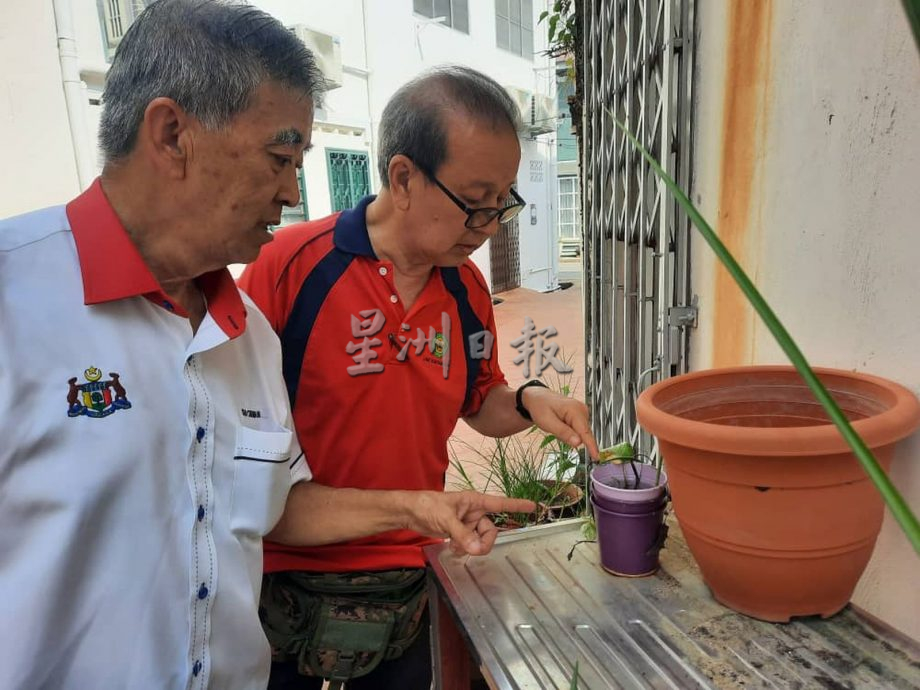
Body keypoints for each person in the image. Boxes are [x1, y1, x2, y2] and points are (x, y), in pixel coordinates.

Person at [0, 4, 532, 689]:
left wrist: (419, 507)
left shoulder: (243, 334)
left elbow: (279, 501)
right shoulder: (17, 300)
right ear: (171, 135)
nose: (291, 189)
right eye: (280, 158)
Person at [239, 65, 600, 690]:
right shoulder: (292, 268)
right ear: (403, 177)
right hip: (287, 579)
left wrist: (531, 399)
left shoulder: (465, 287)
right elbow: (231, 442)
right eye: (473, 201)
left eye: (502, 203)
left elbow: (480, 398)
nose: (488, 226)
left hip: (417, 567)